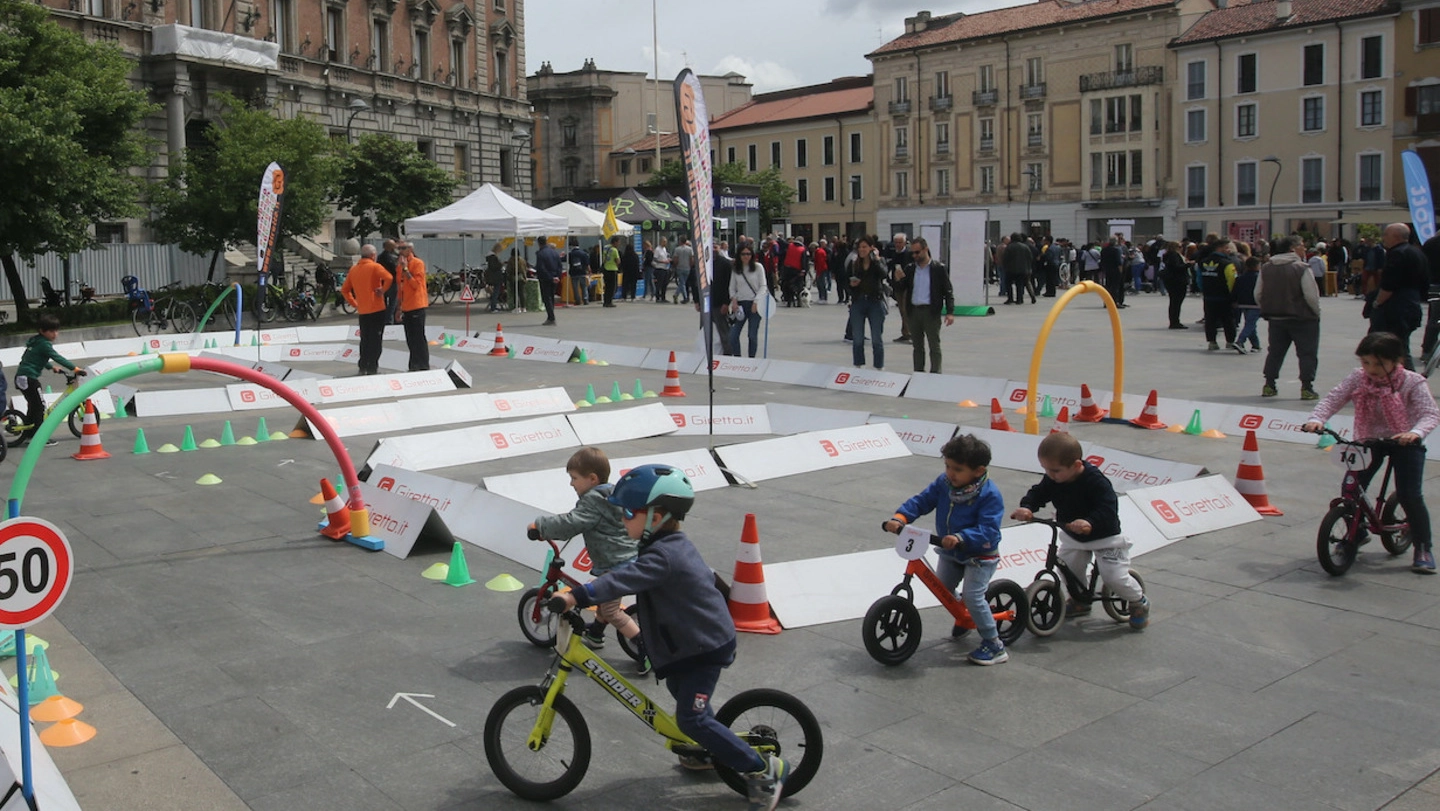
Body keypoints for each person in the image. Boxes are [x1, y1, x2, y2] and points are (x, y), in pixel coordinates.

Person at [554, 464, 790, 810]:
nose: (623, 519)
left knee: (691, 717)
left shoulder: (665, 554)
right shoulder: (665, 545)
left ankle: (762, 770)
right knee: (685, 699)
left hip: (703, 646)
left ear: (657, 516)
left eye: (629, 513)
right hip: (688, 642)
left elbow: (625, 579)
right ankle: (704, 750)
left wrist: (578, 595)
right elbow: (629, 573)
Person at [1303, 332, 1439, 573]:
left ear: (1397, 361)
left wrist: (1415, 432)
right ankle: (1357, 532)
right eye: (1366, 362)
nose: (1371, 369)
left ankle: (1423, 547)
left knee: (1409, 494)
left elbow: (1430, 413)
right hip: (1369, 439)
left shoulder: (1412, 381)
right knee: (1350, 489)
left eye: (1379, 364)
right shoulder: (1358, 378)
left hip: (1405, 441)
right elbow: (1334, 398)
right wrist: (1317, 419)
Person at [882, 434, 1007, 664]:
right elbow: (922, 501)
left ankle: (994, 644)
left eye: (957, 469)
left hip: (979, 555)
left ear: (978, 471)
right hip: (950, 551)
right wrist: (900, 518)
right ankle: (964, 616)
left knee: (973, 596)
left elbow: (989, 529)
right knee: (943, 588)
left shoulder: (989, 495)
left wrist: (961, 537)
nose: (950, 473)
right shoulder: (944, 484)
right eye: (948, 466)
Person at [1011, 433, 1151, 630]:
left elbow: (1107, 507)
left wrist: (1088, 522)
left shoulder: (1095, 481)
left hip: (1105, 537)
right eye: (1046, 470)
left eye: (1055, 470)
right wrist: (1027, 507)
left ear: (1076, 465)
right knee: (1069, 570)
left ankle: (1138, 601)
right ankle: (1080, 601)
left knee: (1114, 576)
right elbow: (1039, 492)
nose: (1050, 475)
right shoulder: (1054, 478)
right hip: (1073, 535)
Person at [528, 447, 647, 669]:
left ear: (592, 479)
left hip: (616, 564)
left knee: (611, 610)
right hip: (628, 557)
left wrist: (540, 526)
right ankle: (595, 633)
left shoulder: (593, 500)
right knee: (602, 595)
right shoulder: (611, 493)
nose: (571, 484)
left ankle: (643, 646)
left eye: (574, 478)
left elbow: (571, 523)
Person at [1257, 235, 1322, 399]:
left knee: (1275, 352)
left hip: (1276, 318)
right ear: (1293, 248)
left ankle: (1269, 385)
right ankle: (1307, 387)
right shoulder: (1302, 268)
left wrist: (1268, 307)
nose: (1305, 248)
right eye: (1302, 245)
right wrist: (1316, 312)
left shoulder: (1266, 268)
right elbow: (1311, 296)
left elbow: (1258, 293)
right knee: (1307, 353)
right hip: (1302, 318)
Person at [14, 313, 83, 446]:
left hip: (23, 377)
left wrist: (51, 367)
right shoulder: (45, 345)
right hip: (28, 378)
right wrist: (75, 368)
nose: (55, 334)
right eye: (51, 331)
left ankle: (29, 433)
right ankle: (41, 438)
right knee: (40, 406)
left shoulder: (37, 341)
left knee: (34, 406)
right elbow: (57, 357)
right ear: (42, 331)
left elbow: (34, 358)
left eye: (56, 330)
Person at [1368, 223, 1429, 370]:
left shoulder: (1397, 254)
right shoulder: (1417, 253)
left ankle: (1407, 383)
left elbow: (1389, 285)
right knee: (1401, 345)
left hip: (1395, 308)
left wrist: (1376, 303)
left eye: (1386, 235)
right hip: (1412, 303)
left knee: (1391, 347)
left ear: (1396, 236)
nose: (1384, 238)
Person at [894, 236, 955, 373]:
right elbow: (902, 288)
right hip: (914, 311)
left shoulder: (938, 268)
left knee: (934, 345)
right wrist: (898, 280)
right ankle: (918, 373)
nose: (915, 255)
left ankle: (935, 373)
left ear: (925, 249)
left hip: (930, 311)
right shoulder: (910, 269)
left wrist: (950, 312)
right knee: (917, 346)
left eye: (917, 252)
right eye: (913, 253)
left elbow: (948, 291)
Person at [341, 244, 393, 375]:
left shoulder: (354, 269)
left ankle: (363, 365)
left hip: (363, 310)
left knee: (365, 339)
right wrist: (382, 290)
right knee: (375, 340)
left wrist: (355, 303)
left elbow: (345, 290)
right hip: (376, 308)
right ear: (373, 255)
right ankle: (372, 367)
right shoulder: (375, 267)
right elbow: (389, 278)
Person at [847, 236, 888, 369]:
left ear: (872, 248)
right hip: (858, 301)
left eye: (864, 247)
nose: (861, 250)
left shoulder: (879, 261)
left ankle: (878, 366)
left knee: (876, 338)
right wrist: (852, 286)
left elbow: (884, 274)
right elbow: (846, 281)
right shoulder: (855, 263)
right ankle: (858, 364)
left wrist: (875, 259)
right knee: (857, 337)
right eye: (859, 247)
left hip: (875, 302)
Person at [1197, 239, 1238, 351]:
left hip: (1209, 296)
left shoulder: (1203, 262)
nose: (1229, 250)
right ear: (1220, 248)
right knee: (1228, 320)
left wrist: (1204, 290)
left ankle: (1212, 342)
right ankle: (1230, 341)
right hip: (1224, 297)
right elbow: (1232, 281)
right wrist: (1233, 295)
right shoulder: (1227, 264)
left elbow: (1199, 279)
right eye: (1226, 247)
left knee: (1210, 320)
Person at [728, 244, 767, 358]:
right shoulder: (736, 269)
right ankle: (738, 357)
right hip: (741, 305)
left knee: (752, 335)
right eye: (743, 254)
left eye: (748, 254)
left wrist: (756, 301)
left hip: (755, 305)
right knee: (733, 335)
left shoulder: (758, 267)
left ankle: (751, 358)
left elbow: (763, 286)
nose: (746, 256)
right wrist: (734, 300)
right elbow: (732, 287)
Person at [396, 242, 429, 371]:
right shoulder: (399, 266)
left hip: (417, 304)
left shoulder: (417, 263)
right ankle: (414, 363)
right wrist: (398, 307)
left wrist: (405, 269)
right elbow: (400, 287)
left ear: (410, 249)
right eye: (399, 248)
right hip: (406, 306)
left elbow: (416, 285)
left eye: (403, 248)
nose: (400, 251)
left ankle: (423, 364)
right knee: (410, 338)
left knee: (418, 337)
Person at [704, 242, 735, 357]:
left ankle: (728, 354)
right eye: (710, 247)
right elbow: (697, 281)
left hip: (719, 303)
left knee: (723, 331)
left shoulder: (725, 264)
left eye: (715, 247)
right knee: (705, 330)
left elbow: (729, 285)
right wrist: (697, 300)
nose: (713, 249)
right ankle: (707, 353)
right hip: (706, 303)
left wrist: (726, 303)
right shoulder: (704, 262)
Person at [1233, 256, 1263, 354]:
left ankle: (1256, 345)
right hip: (1256, 304)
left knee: (1250, 323)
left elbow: (1235, 290)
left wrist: (1234, 301)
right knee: (1250, 324)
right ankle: (1240, 341)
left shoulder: (1240, 278)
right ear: (1257, 266)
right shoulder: (1260, 278)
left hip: (1243, 304)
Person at [886, 233, 913, 339]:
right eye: (896, 242)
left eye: (900, 242)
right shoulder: (893, 254)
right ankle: (905, 332)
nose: (897, 244)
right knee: (902, 310)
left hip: (908, 286)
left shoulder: (909, 254)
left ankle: (910, 333)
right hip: (897, 286)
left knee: (906, 309)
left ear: (905, 242)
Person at [1160, 240, 1190, 329]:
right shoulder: (1174, 255)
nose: (1181, 249)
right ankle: (1175, 321)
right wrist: (1188, 265)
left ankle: (1174, 320)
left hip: (1171, 280)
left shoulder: (1167, 255)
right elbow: (1176, 267)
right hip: (1177, 281)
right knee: (1176, 302)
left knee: (1174, 302)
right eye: (1180, 247)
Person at [533, 236, 562, 326]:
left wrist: (550, 277)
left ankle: (551, 317)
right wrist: (557, 276)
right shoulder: (554, 253)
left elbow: (541, 268)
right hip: (555, 278)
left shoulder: (541, 254)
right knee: (551, 297)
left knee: (546, 298)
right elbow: (559, 266)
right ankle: (550, 316)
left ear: (539, 243)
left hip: (545, 279)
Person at [1000, 233, 1033, 305]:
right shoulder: (1025, 247)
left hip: (1011, 269)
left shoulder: (1009, 247)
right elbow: (1030, 257)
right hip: (1023, 269)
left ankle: (1010, 298)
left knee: (1008, 284)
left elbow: (1005, 258)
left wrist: (1005, 266)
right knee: (1019, 284)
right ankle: (1020, 299)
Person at [377, 238, 401, 323]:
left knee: (384, 302)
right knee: (392, 303)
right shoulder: (391, 257)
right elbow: (395, 269)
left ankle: (385, 319)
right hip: (392, 282)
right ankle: (389, 320)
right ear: (390, 247)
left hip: (382, 282)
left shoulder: (379, 257)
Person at [567, 238, 591, 305]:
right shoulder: (583, 253)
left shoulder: (570, 254)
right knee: (584, 286)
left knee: (575, 288)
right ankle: (585, 299)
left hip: (573, 273)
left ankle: (577, 300)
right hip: (582, 272)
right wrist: (589, 271)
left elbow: (564, 260)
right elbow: (587, 264)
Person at [484, 242, 506, 312]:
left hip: (491, 277)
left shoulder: (490, 256)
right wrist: (501, 264)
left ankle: (493, 306)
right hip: (495, 277)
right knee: (496, 292)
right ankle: (493, 307)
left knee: (494, 292)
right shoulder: (493, 257)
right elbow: (494, 267)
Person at [672, 237, 695, 305]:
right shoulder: (690, 249)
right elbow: (691, 259)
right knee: (683, 282)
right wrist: (690, 266)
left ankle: (683, 297)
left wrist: (675, 266)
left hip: (680, 267)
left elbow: (676, 259)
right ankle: (679, 295)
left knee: (682, 283)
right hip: (687, 267)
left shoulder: (677, 249)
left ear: (680, 241)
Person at [601, 236, 622, 307]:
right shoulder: (614, 250)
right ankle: (609, 301)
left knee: (607, 286)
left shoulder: (606, 247)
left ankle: (605, 301)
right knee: (612, 287)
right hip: (612, 269)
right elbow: (618, 261)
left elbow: (603, 258)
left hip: (606, 269)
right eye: (618, 242)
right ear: (615, 242)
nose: (619, 244)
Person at [621, 241, 641, 306]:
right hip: (634, 272)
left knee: (625, 285)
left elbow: (622, 264)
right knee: (633, 285)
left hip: (626, 272)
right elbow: (637, 265)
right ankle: (633, 296)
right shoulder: (635, 256)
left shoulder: (624, 256)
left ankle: (624, 296)